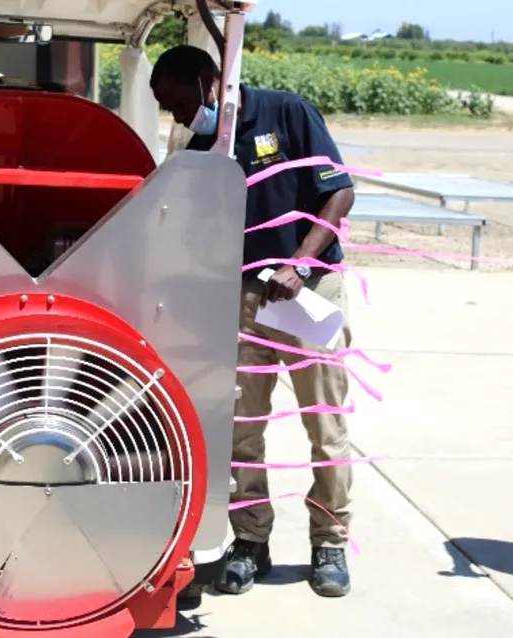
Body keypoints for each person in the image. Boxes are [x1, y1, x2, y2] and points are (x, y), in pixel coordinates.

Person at [151, 45, 358, 598]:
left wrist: (299, 263)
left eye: (176, 104)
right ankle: (250, 541)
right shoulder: (200, 147)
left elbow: (339, 192)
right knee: (241, 431)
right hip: (241, 301)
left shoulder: (286, 112)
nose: (175, 118)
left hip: (306, 292)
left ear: (207, 81)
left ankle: (329, 542)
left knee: (325, 427)